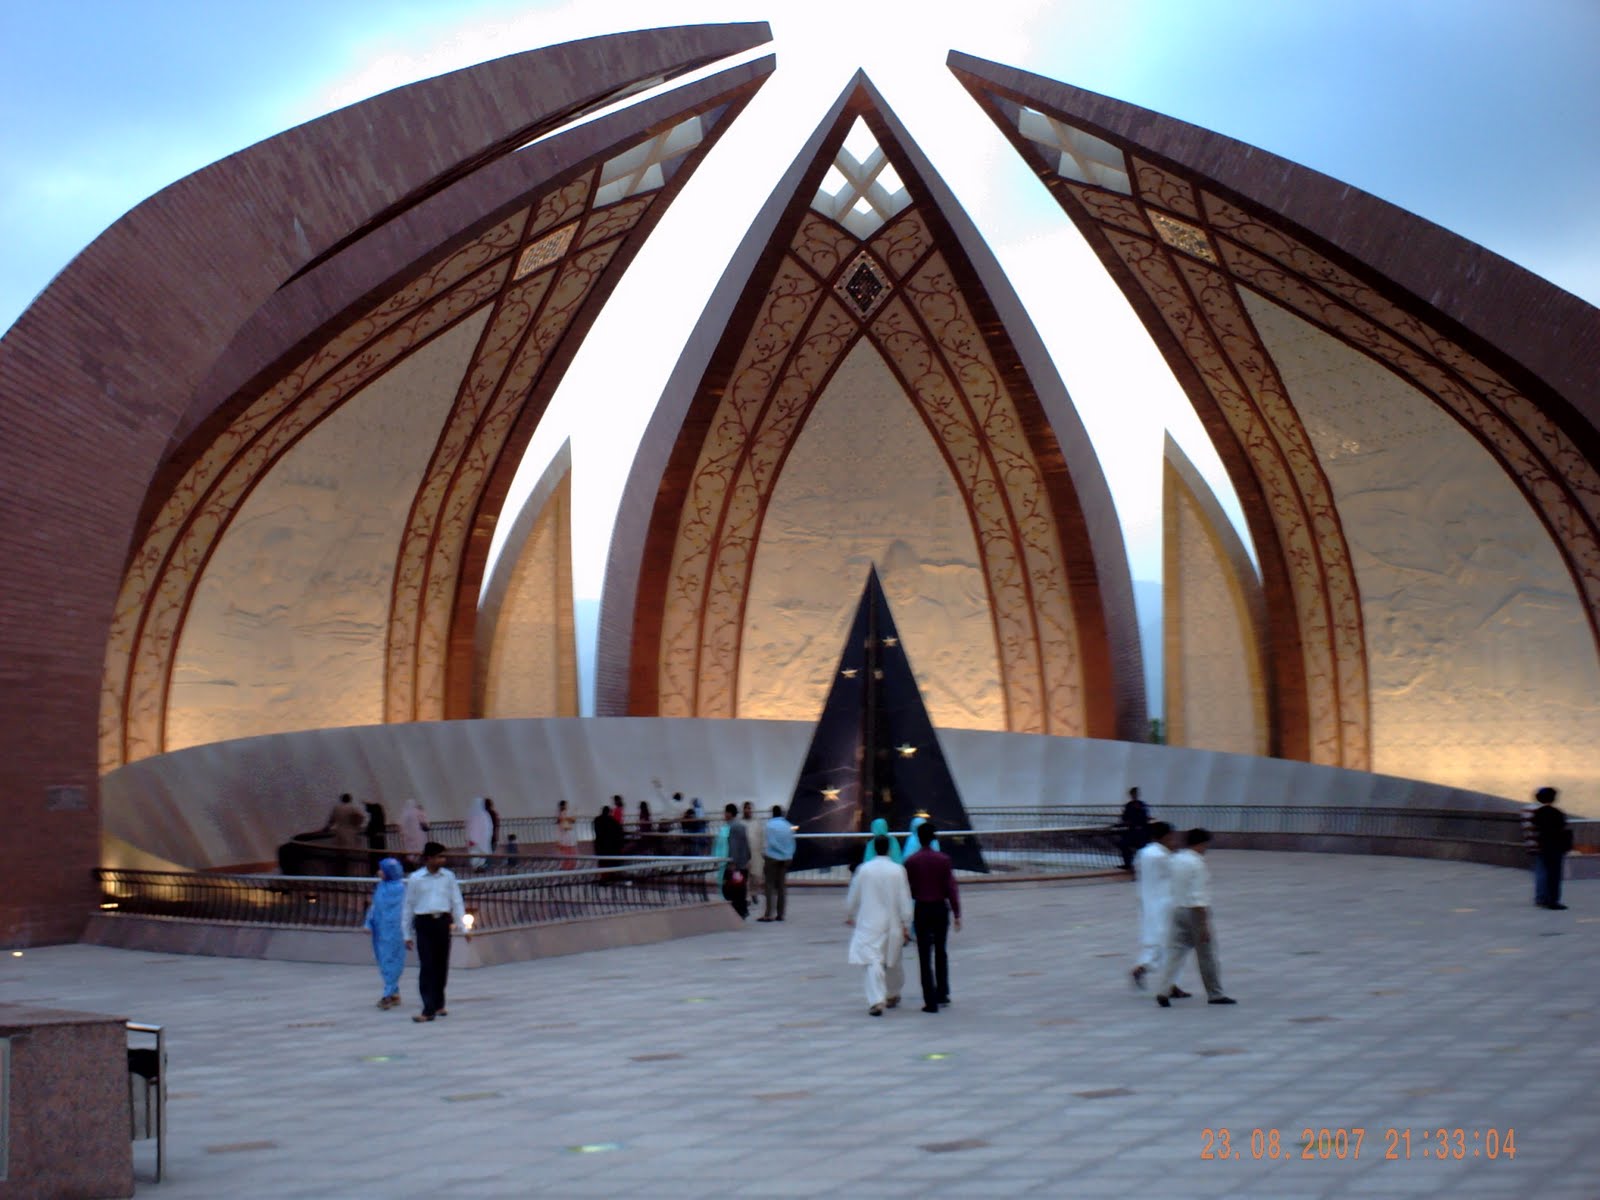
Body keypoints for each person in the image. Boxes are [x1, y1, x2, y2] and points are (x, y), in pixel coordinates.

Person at [1153, 829, 1235, 1007]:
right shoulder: (1198, 864)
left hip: (1177, 909)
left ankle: (1163, 989)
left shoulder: (1176, 859)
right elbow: (1200, 896)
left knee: (1175, 953)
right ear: (1200, 844)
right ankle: (1215, 993)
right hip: (1195, 912)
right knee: (1207, 955)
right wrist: (1203, 925)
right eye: (1206, 845)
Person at [845, 833, 913, 1016]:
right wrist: (906, 921)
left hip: (869, 921)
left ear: (874, 848)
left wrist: (850, 912)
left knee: (872, 960)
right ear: (889, 849)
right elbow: (904, 898)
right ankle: (892, 993)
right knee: (893, 960)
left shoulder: (864, 869)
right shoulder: (897, 870)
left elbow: (854, 894)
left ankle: (876, 999)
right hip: (892, 922)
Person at [402, 842, 470, 1022]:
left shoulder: (448, 877)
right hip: (424, 922)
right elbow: (408, 906)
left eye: (443, 856)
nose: (443, 860)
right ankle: (428, 1008)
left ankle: (439, 1003)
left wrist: (463, 927)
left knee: (441, 964)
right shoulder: (416, 878)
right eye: (439, 856)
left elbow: (456, 902)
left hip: (442, 922)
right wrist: (406, 934)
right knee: (427, 965)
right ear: (428, 858)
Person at [902, 821, 960, 1013]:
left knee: (924, 955)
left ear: (918, 838)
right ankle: (943, 992)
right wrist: (957, 912)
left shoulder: (911, 861)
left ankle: (930, 1000)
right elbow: (951, 888)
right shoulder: (943, 860)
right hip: (940, 909)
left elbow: (907, 889)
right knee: (941, 951)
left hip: (922, 909)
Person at [1131, 823, 1184, 992]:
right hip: (1166, 904)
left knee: (1156, 941)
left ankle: (1147, 969)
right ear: (1165, 837)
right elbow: (1178, 872)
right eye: (1172, 837)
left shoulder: (1144, 853)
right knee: (1172, 944)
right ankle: (1168, 983)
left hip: (1148, 903)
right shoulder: (1162, 856)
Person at [362, 857, 407, 1009]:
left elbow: (405, 910)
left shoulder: (401, 889)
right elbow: (375, 906)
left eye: (382, 869)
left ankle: (388, 994)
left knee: (392, 960)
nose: (379, 872)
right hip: (380, 929)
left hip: (396, 930)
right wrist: (368, 923)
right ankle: (394, 993)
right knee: (383, 959)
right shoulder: (381, 887)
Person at [1530, 786, 1573, 910]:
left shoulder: (1537, 813)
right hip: (1556, 846)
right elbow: (1562, 828)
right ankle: (1553, 901)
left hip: (1543, 845)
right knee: (1554, 875)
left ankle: (1542, 898)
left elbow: (1536, 827)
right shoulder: (1557, 813)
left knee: (1543, 872)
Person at [713, 803, 752, 919]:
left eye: (725, 812)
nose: (724, 815)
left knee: (732, 889)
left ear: (729, 813)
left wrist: (732, 862)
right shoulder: (741, 826)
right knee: (741, 888)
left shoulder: (731, 828)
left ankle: (738, 911)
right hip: (743, 863)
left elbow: (733, 846)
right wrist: (747, 858)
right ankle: (742, 910)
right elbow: (746, 845)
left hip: (735, 865)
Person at [759, 805, 795, 922]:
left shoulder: (769, 825)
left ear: (772, 813)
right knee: (781, 887)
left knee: (769, 886)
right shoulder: (788, 826)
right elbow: (792, 842)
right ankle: (781, 914)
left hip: (772, 857)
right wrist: (788, 853)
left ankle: (768, 914)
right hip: (786, 858)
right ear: (782, 813)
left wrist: (764, 853)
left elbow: (770, 842)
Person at [325, 792, 366, 875]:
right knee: (349, 852)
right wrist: (357, 825)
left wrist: (326, 828)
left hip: (339, 832)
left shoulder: (336, 808)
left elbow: (331, 820)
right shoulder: (352, 808)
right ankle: (348, 872)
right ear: (349, 799)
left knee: (339, 852)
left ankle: (339, 871)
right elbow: (361, 817)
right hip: (350, 832)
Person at [1119, 786, 1151, 872]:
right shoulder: (1129, 805)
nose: (1134, 795)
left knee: (1141, 848)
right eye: (1133, 794)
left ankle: (1139, 865)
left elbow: (1144, 818)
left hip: (1140, 831)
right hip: (1132, 831)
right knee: (1123, 844)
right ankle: (1128, 864)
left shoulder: (1142, 805)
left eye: (1135, 794)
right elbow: (1125, 817)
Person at [742, 801, 766, 908]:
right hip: (743, 854)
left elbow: (761, 838)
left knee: (756, 876)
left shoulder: (757, 823)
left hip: (756, 854)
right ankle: (746, 897)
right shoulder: (740, 823)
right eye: (746, 808)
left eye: (749, 808)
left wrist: (762, 852)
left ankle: (754, 893)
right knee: (745, 877)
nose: (748, 810)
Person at [398, 798, 430, 864]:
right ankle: (418, 861)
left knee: (410, 850)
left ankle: (412, 862)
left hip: (408, 836)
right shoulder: (418, 812)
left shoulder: (404, 814)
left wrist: (403, 833)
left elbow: (400, 825)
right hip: (418, 835)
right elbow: (424, 822)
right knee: (419, 848)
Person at [593, 804, 624, 871]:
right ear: (609, 812)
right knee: (611, 865)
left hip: (600, 845)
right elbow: (618, 832)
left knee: (602, 863)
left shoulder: (597, 820)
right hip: (610, 847)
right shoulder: (613, 821)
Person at [466, 797, 493, 871]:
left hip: (480, 840)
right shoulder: (482, 815)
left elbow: (473, 829)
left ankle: (479, 867)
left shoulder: (479, 815)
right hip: (479, 840)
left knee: (478, 854)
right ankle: (477, 867)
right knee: (477, 854)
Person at [556, 799, 577, 867]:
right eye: (566, 805)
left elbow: (573, 820)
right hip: (566, 836)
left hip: (568, 836)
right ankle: (567, 866)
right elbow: (568, 823)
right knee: (568, 852)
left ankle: (569, 866)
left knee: (570, 851)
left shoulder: (564, 814)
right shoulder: (561, 814)